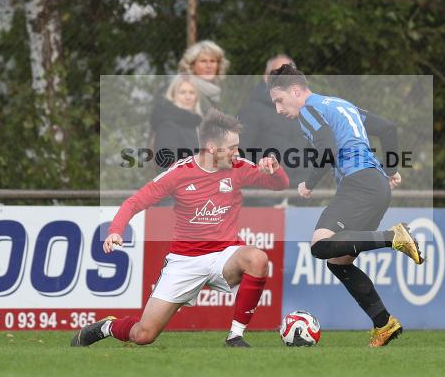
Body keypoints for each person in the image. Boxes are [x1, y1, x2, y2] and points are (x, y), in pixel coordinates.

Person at [71, 110, 289, 348]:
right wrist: (115, 230)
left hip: (224, 256)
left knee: (257, 258)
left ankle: (235, 336)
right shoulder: (179, 173)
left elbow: (279, 185)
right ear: (212, 148)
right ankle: (108, 326)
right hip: (185, 260)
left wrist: (274, 169)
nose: (238, 153)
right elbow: (135, 202)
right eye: (232, 147)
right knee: (143, 334)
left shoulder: (238, 167)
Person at [267, 63, 423, 347]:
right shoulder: (340, 104)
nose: (279, 109)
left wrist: (309, 183)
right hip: (374, 186)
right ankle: (384, 323)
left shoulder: (309, 110)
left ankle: (394, 237)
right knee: (338, 262)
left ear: (295, 90)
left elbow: (328, 149)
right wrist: (390, 169)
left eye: (279, 100)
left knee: (320, 244)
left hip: (359, 185)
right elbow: (388, 128)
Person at [238, 54, 310, 195]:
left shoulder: (303, 111)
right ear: (266, 77)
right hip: (263, 195)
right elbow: (241, 153)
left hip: (300, 194)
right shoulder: (251, 111)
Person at [151, 74, 202, 171]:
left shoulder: (197, 125)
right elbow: (166, 168)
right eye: (182, 92)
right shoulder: (167, 126)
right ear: (173, 95)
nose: (188, 97)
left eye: (192, 92)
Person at [177, 40, 229, 113]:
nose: (209, 66)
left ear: (219, 65)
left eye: (213, 61)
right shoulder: (184, 87)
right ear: (192, 65)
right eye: (203, 61)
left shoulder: (213, 91)